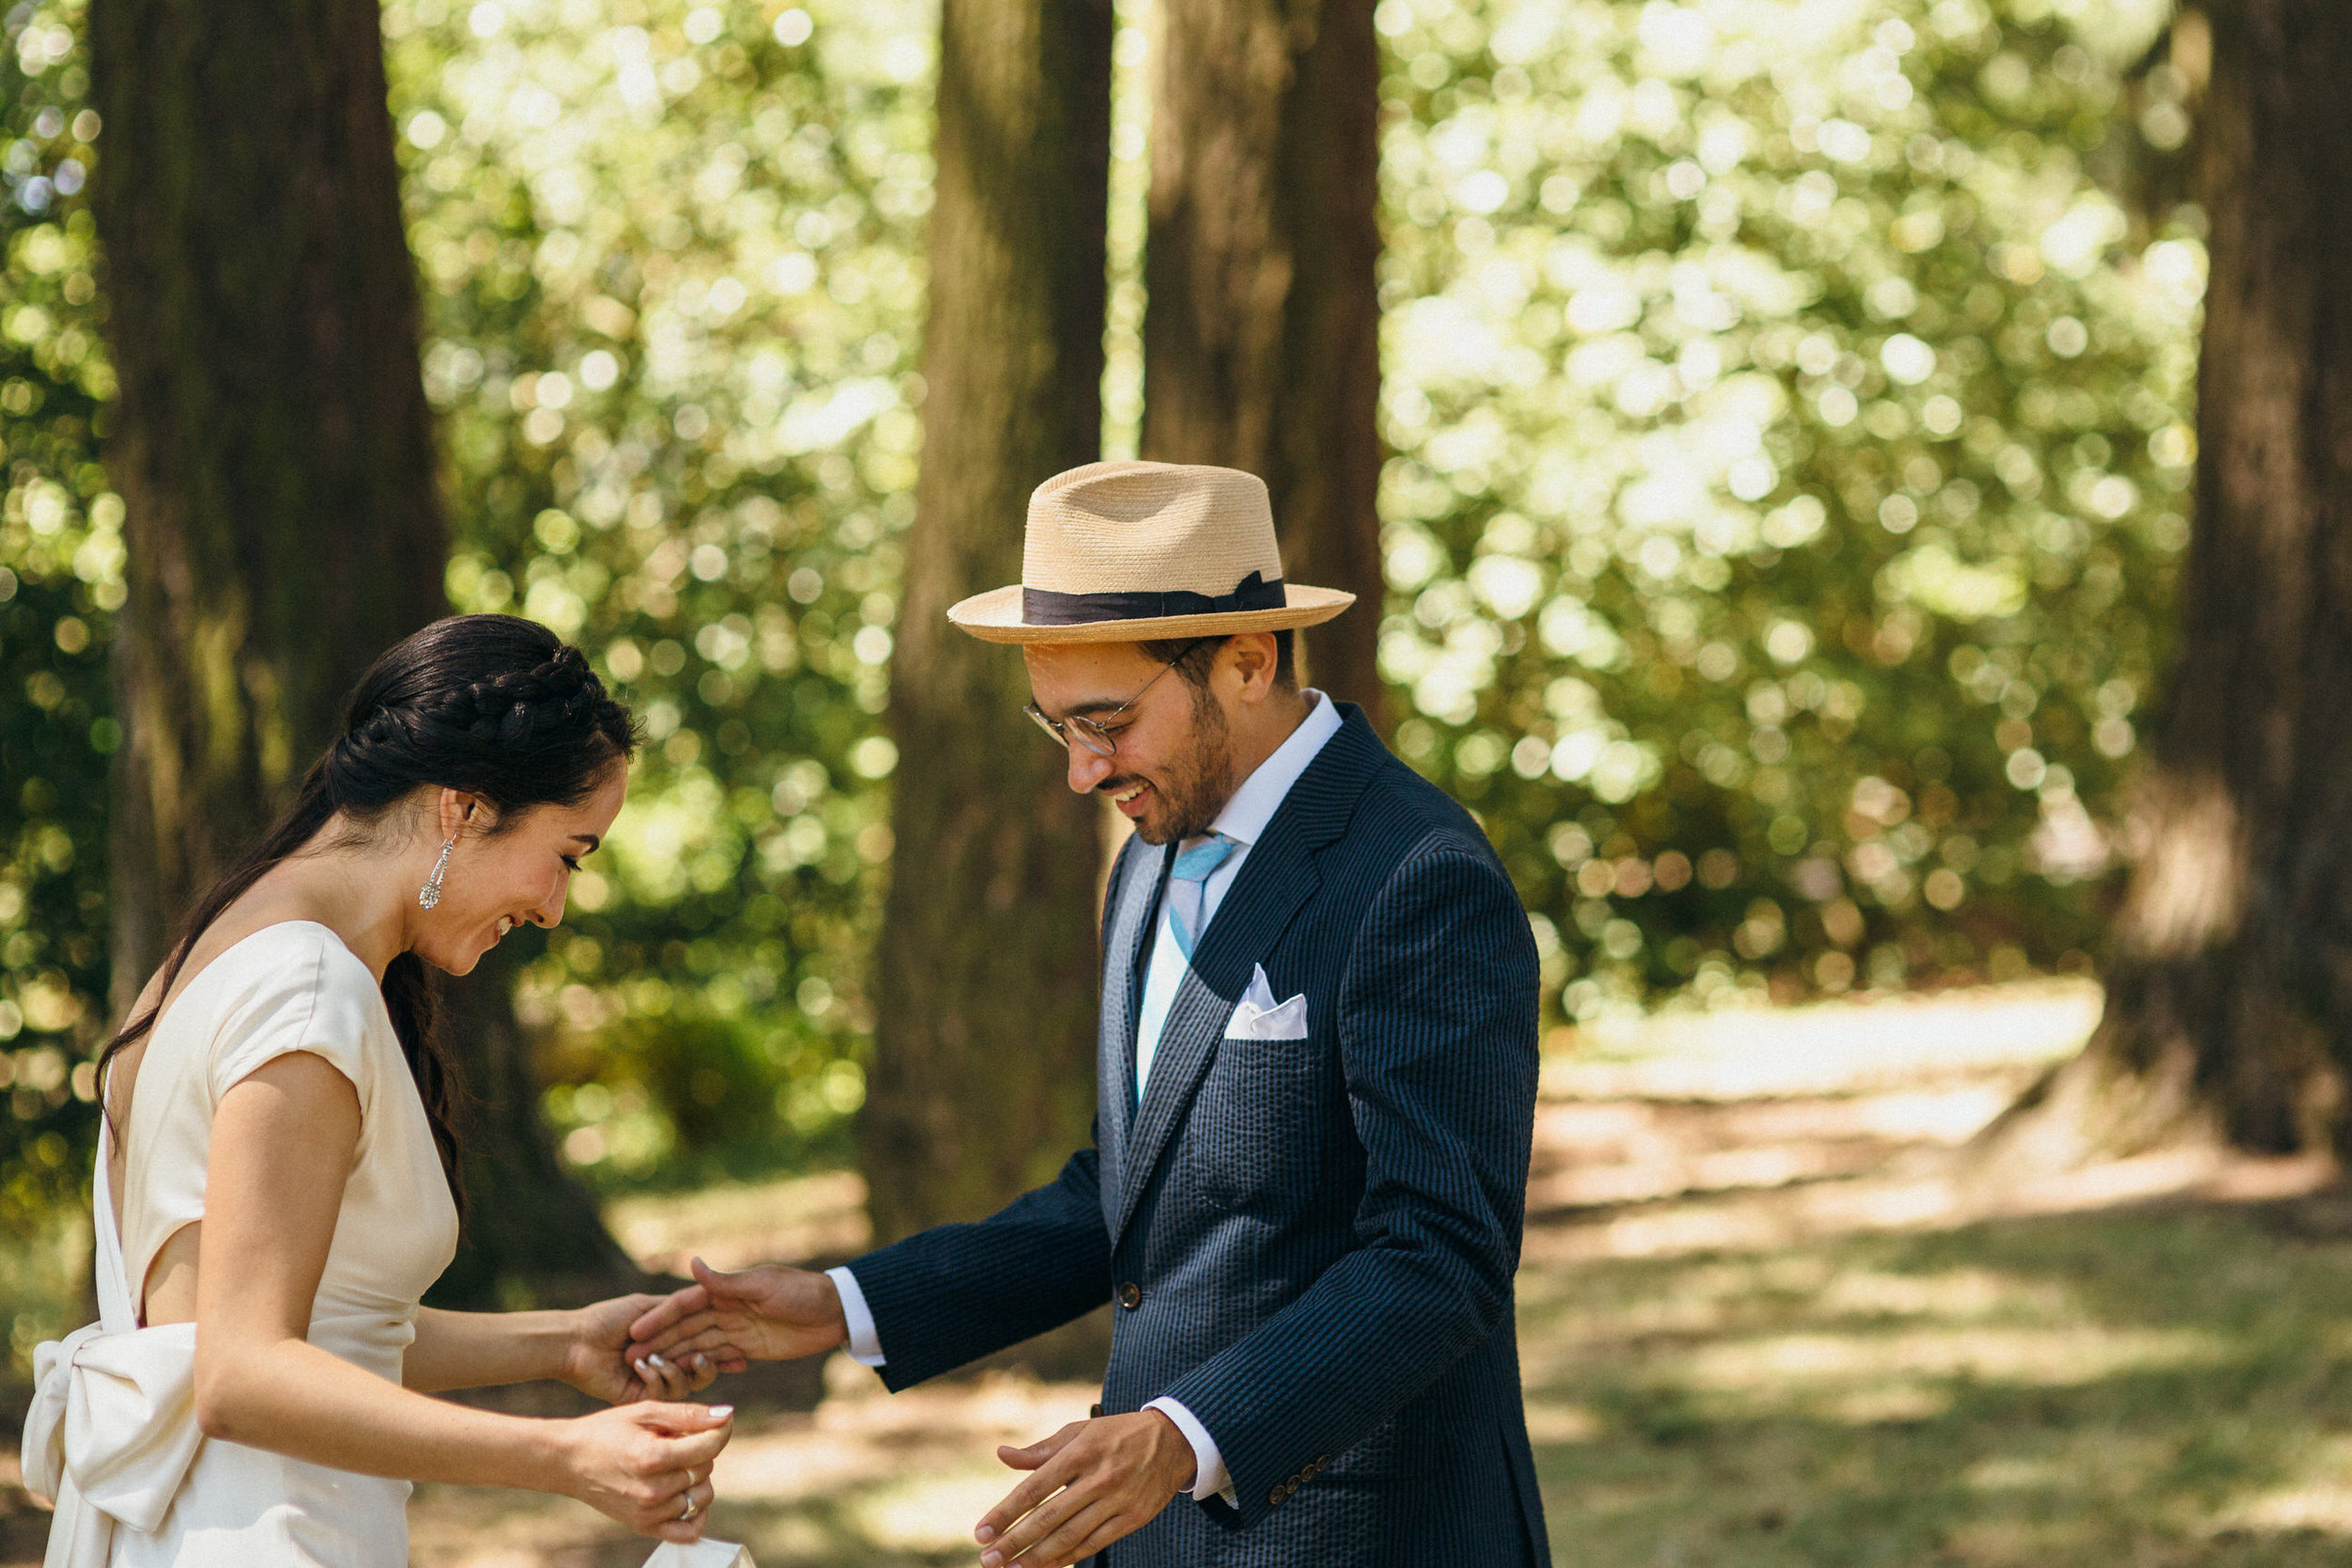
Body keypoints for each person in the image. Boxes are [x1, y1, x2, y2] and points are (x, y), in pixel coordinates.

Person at [630, 462, 1549, 1566]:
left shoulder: (1416, 872)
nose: (1080, 769)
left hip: (1363, 1532)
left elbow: (1439, 1251)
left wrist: (1181, 1434)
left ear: (1248, 660)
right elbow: (1137, 1191)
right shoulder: (1149, 850)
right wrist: (849, 1303)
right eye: (1056, 724)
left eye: (1107, 720)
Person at [25, 614, 735, 1568]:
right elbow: (241, 1374)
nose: (555, 908)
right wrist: (563, 1454)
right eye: (568, 854)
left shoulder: (217, 949)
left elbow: (323, 1326)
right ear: (464, 806)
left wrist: (564, 1340)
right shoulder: (306, 990)